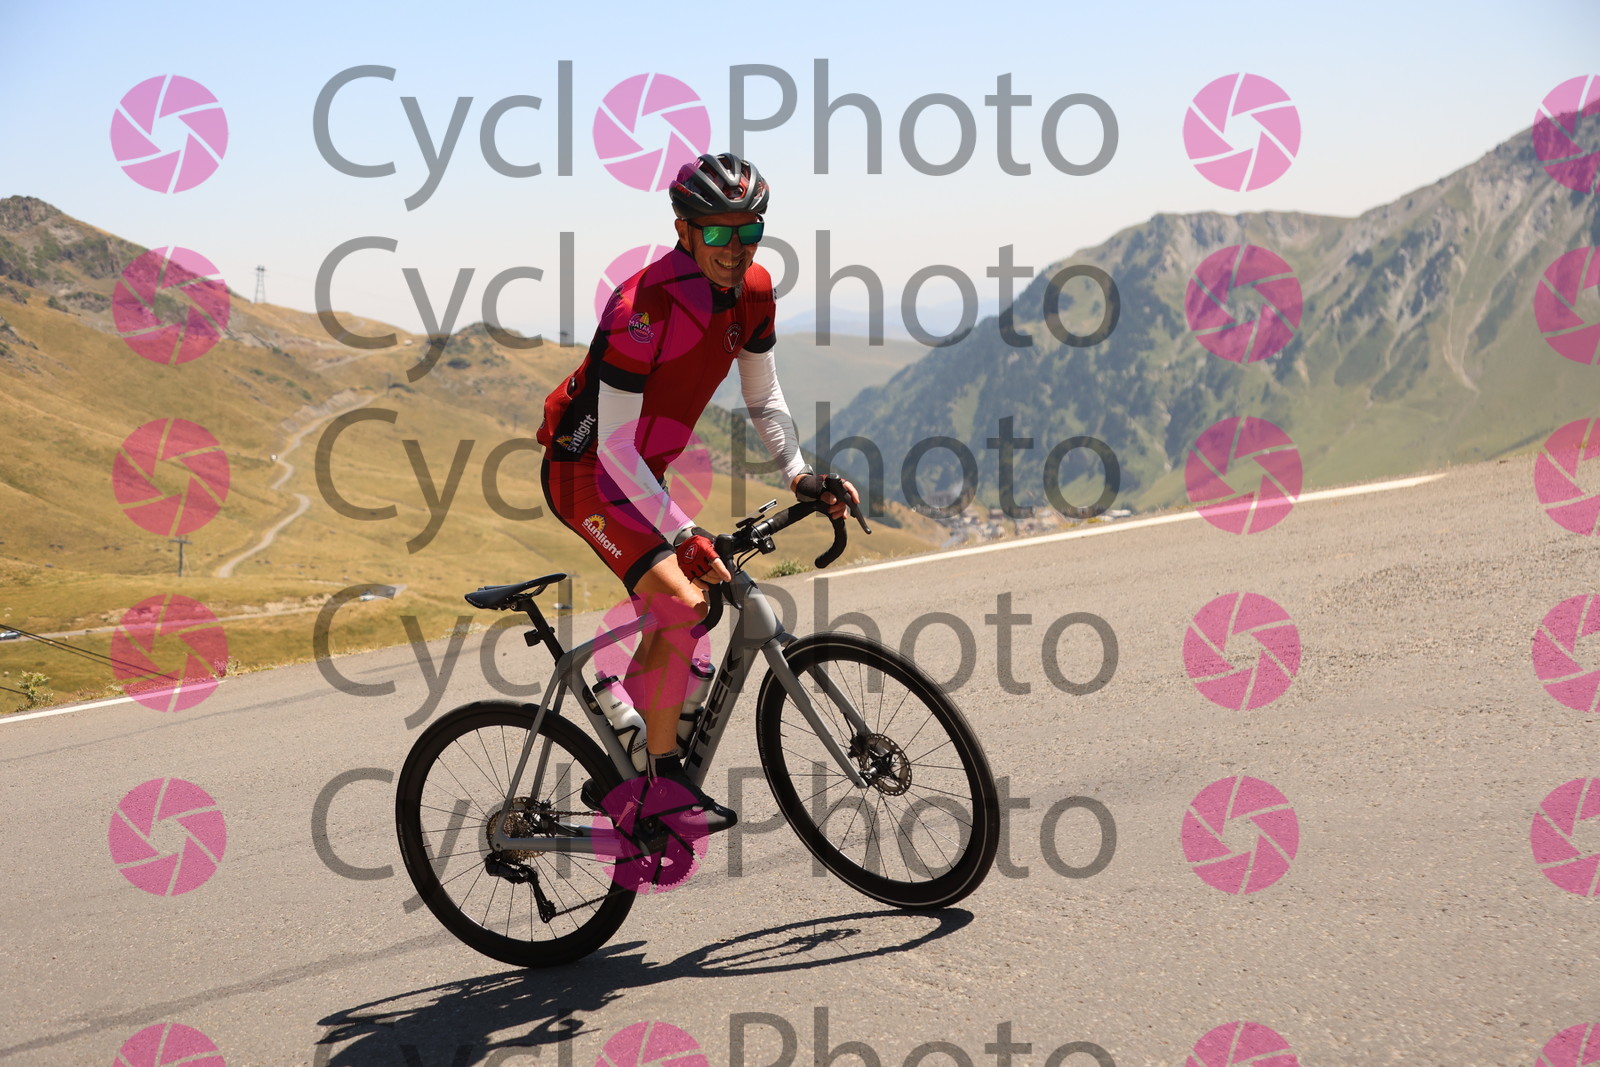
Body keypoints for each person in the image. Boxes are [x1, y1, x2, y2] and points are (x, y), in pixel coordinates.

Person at [537, 152, 858, 831]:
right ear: (684, 230)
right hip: (586, 471)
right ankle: (658, 784)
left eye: (750, 231)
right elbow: (613, 447)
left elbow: (762, 395)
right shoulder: (640, 310)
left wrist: (800, 473)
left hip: (640, 472)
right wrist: (684, 532)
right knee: (683, 603)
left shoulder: (755, 290)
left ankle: (628, 726)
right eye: (717, 232)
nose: (735, 249)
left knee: (699, 604)